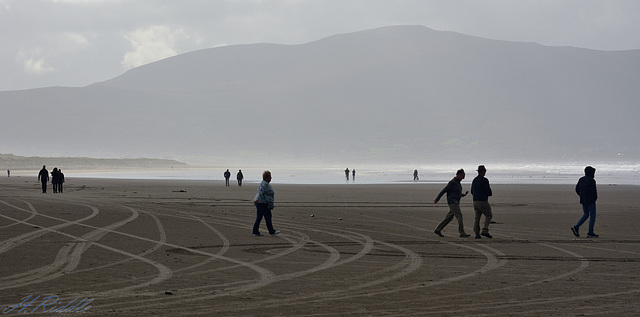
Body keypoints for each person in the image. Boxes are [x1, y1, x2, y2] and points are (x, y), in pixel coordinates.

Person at [433, 169, 470, 237]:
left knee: (449, 218)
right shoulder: (452, 182)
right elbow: (444, 190)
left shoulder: (458, 182)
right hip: (453, 202)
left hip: (455, 202)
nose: (463, 176)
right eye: (463, 175)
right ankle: (462, 233)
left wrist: (462, 195)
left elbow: (455, 192)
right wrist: (437, 199)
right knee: (459, 216)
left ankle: (438, 229)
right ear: (459, 174)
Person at [571, 166, 599, 238]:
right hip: (590, 200)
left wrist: (581, 195)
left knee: (586, 214)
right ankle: (590, 232)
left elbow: (577, 189)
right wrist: (594, 198)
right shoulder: (592, 180)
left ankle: (576, 227)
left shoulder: (581, 179)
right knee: (592, 215)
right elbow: (594, 191)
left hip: (583, 200)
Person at [252, 171, 280, 236]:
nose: (271, 178)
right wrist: (257, 199)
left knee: (259, 217)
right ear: (267, 177)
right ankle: (271, 231)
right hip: (262, 203)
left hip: (261, 203)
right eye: (270, 177)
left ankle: (255, 231)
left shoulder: (264, 183)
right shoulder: (264, 184)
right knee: (268, 216)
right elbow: (260, 192)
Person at [471, 165, 493, 239]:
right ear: (483, 172)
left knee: (477, 217)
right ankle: (485, 230)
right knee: (489, 215)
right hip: (482, 201)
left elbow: (472, 191)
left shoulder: (474, 180)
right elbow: (488, 191)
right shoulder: (484, 180)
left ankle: (476, 233)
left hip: (475, 201)